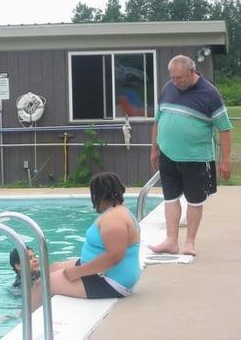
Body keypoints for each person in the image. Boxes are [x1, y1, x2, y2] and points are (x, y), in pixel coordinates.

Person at [150, 54, 232, 256]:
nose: (176, 82)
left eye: (180, 78)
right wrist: (154, 148)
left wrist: (226, 161)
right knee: (170, 198)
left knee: (195, 200)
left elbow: (225, 128)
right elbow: (157, 119)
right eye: (173, 77)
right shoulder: (168, 88)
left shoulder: (209, 93)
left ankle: (189, 242)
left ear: (191, 72)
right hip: (168, 153)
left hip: (196, 157)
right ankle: (171, 241)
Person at [31, 172, 141, 311]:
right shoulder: (117, 211)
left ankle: (25, 321)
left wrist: (77, 272)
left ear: (97, 195)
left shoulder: (114, 219)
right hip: (108, 273)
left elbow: (115, 257)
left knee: (42, 284)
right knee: (52, 268)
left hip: (112, 280)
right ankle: (36, 306)